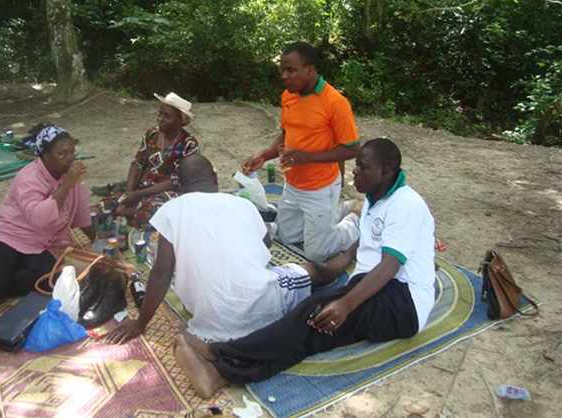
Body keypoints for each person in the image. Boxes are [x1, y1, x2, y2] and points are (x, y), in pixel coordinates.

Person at [174, 139, 437, 398]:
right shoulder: (374, 198)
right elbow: (367, 246)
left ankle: (217, 354)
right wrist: (341, 265)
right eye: (357, 164)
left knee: (312, 317)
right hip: (376, 286)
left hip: (402, 302)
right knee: (312, 328)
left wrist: (346, 304)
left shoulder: (406, 204)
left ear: (387, 171)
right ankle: (218, 374)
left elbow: (389, 266)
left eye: (363, 167)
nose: (355, 171)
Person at [105, 154, 353, 344]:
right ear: (214, 180)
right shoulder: (241, 204)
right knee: (311, 269)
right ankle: (349, 254)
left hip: (209, 317)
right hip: (260, 305)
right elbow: (266, 243)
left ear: (179, 187)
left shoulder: (170, 210)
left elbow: (161, 273)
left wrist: (140, 323)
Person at [242, 42, 360, 262]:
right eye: (282, 70)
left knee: (317, 253)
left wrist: (308, 158)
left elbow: (352, 148)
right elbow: (286, 133)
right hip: (293, 184)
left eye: (291, 70)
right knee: (287, 237)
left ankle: (353, 218)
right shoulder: (289, 96)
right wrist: (264, 155)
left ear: (310, 70)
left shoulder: (335, 102)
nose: (284, 76)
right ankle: (334, 213)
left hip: (321, 186)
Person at [0, 124, 92, 307]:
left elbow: (80, 210)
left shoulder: (68, 177)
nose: (70, 158)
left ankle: (4, 279)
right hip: (6, 236)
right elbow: (40, 218)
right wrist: (67, 185)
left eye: (72, 152)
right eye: (62, 154)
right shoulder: (28, 177)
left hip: (39, 244)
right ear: (45, 155)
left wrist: (95, 241)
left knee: (52, 281)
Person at [103, 92, 199, 227]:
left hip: (166, 192)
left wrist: (137, 195)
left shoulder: (189, 144)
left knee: (156, 212)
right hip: (141, 187)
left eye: (167, 116)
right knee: (105, 205)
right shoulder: (152, 134)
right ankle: (127, 213)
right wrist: (129, 192)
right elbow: (137, 164)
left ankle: (127, 214)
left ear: (181, 120)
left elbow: (176, 181)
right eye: (160, 114)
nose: (160, 119)